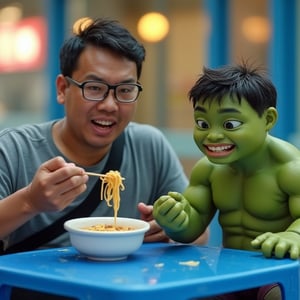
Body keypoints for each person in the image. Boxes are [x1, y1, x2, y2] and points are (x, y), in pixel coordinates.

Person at [0, 18, 207, 299]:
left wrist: (173, 229)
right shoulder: (13, 149)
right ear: (62, 89)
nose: (110, 105)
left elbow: (201, 236)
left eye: (125, 91)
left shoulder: (149, 145)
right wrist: (30, 202)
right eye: (94, 88)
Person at [153, 62, 300, 300]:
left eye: (230, 124)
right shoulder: (209, 170)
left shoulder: (290, 169)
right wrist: (175, 220)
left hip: (281, 272)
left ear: (268, 119)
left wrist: (295, 236)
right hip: (228, 273)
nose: (212, 135)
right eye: (202, 123)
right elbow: (191, 228)